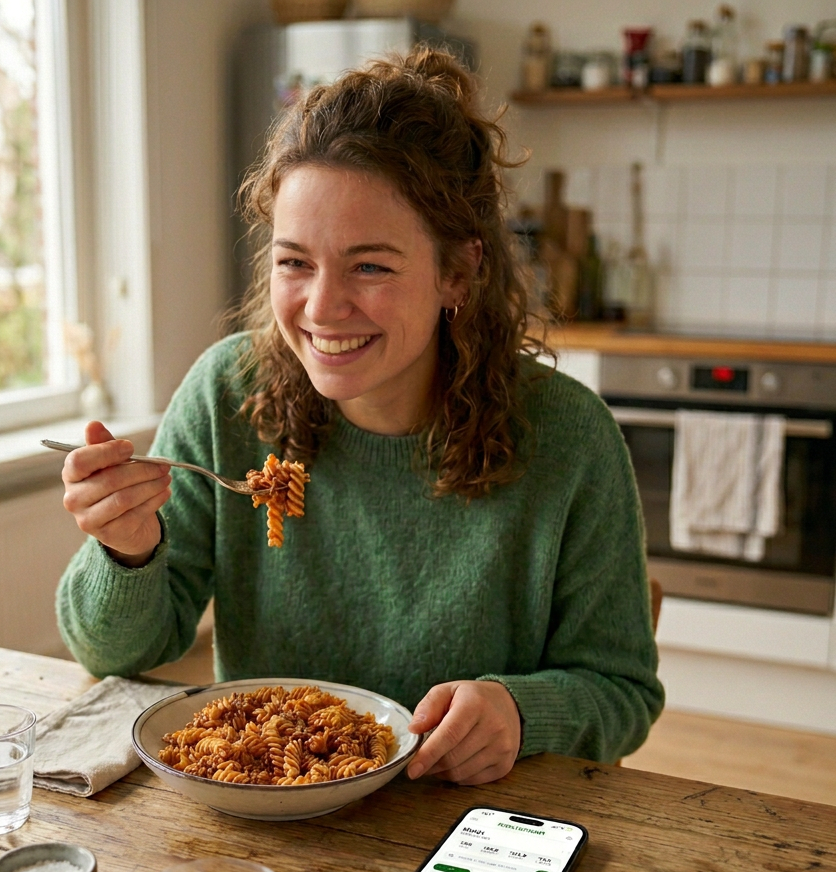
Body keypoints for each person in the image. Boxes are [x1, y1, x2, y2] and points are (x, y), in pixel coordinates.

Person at [57, 47, 663, 784]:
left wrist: (523, 710)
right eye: (294, 262)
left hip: (463, 828)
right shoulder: (228, 394)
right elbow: (116, 655)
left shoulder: (569, 437)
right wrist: (126, 552)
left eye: (370, 266)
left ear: (457, 274)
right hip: (266, 824)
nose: (321, 308)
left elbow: (622, 690)